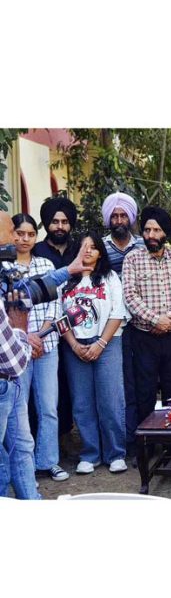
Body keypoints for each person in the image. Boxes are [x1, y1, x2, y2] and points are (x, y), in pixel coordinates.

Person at [122, 206, 171, 438]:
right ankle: (148, 442)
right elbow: (130, 296)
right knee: (145, 391)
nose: (151, 235)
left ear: (166, 233)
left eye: (156, 230)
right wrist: (155, 319)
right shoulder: (132, 259)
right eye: (147, 230)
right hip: (144, 336)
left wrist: (169, 320)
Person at [61, 232, 129, 474]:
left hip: (108, 343)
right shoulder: (66, 279)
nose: (88, 251)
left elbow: (117, 312)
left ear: (101, 252)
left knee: (111, 400)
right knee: (82, 402)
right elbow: (59, 317)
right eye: (83, 247)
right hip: (75, 346)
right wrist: (73, 344)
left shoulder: (109, 278)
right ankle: (90, 454)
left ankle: (115, 453)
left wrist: (100, 343)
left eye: (93, 247)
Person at [12, 214, 69, 482]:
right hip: (15, 350)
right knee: (19, 409)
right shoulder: (5, 268)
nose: (25, 239)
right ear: (12, 235)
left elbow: (54, 305)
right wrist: (27, 338)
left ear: (36, 237)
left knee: (48, 406)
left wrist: (41, 336)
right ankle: (23, 466)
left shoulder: (45, 264)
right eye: (20, 233)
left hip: (47, 346)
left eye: (30, 234)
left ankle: (48, 461)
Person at [101, 191, 144, 457]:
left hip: (141, 324)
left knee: (143, 381)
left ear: (131, 218)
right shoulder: (101, 246)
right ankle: (126, 440)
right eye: (114, 216)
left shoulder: (142, 245)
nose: (119, 220)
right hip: (113, 328)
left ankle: (144, 435)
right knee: (123, 383)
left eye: (123, 215)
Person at [0, 211, 39, 499]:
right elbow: (15, 362)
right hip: (5, 381)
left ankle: (32, 504)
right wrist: (22, 329)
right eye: (11, 231)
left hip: (8, 388)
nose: (17, 237)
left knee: (22, 446)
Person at [34, 195, 81, 438]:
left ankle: (70, 434)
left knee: (73, 384)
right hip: (46, 328)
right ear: (46, 224)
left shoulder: (79, 250)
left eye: (64, 221)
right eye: (54, 221)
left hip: (78, 326)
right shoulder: (36, 251)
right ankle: (52, 440)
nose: (60, 226)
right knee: (48, 388)